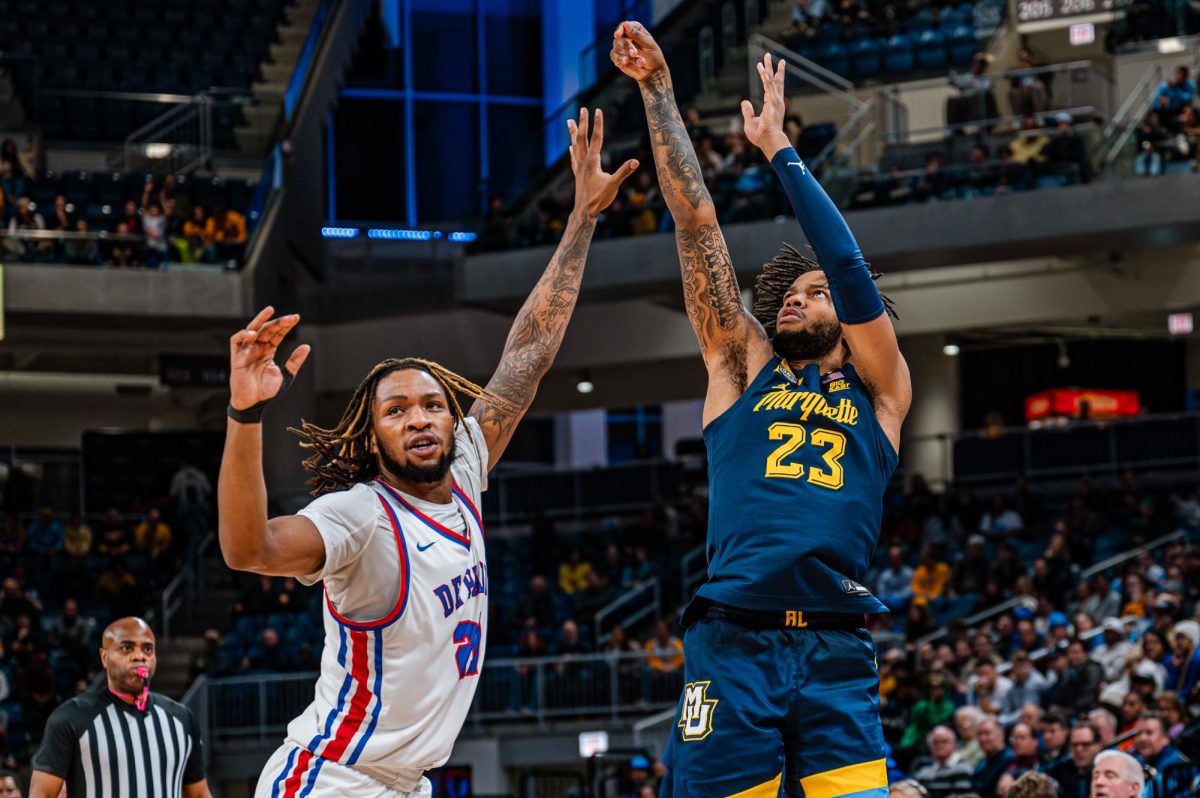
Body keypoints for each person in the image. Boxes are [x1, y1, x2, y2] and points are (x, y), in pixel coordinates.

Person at [219, 108, 636, 798]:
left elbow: (527, 354)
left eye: (433, 405)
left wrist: (582, 219)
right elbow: (249, 549)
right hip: (332, 780)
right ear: (371, 437)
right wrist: (244, 413)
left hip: (406, 783)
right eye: (396, 409)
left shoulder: (467, 469)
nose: (419, 418)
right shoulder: (359, 516)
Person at [612, 29, 911, 798]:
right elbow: (697, 224)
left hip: (837, 646)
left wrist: (779, 148)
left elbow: (846, 266)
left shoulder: (881, 393)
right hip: (734, 639)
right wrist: (657, 93)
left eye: (812, 295)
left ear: (847, 318)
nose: (792, 301)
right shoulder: (742, 365)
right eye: (785, 294)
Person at [28, 617, 211, 797]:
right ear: (104, 657)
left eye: (147, 649)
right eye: (126, 648)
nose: (139, 656)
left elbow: (199, 794)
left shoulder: (182, 719)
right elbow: (41, 794)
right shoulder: (71, 717)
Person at [911, 725, 974, 798]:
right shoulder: (924, 770)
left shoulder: (962, 769)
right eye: (935, 742)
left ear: (954, 744)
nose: (939, 746)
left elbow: (964, 796)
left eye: (944, 741)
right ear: (930, 746)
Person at [1046, 721, 1102, 798]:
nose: (1079, 749)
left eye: (1085, 744)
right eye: (1074, 745)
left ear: (1098, 746)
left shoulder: (1106, 776)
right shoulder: (1058, 772)